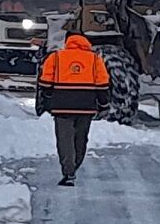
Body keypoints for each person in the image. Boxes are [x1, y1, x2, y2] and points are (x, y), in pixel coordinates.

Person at [36, 32, 110, 186]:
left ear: (68, 42)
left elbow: (45, 82)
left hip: (62, 107)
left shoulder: (56, 57)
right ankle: (75, 164)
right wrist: (103, 104)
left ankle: (68, 172)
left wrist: (49, 96)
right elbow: (102, 84)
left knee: (64, 140)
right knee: (80, 138)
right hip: (86, 107)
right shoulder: (95, 59)